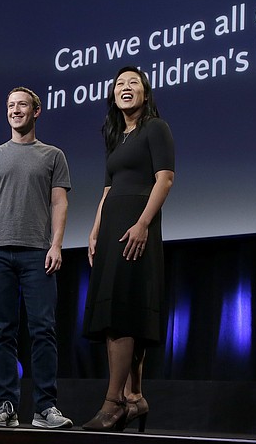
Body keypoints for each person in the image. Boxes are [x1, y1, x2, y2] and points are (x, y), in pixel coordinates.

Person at [0, 86, 73, 429]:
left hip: (37, 253)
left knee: (43, 330)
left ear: (36, 111)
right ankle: (6, 405)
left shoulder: (53, 155)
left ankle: (45, 408)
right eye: (11, 105)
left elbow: (60, 202)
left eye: (22, 105)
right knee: (3, 332)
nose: (15, 110)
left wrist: (56, 245)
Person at [81, 66, 175, 432]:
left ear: (146, 94)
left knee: (124, 312)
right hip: (112, 230)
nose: (126, 87)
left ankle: (113, 402)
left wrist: (143, 223)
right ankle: (134, 397)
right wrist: (94, 230)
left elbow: (165, 179)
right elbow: (107, 190)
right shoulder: (116, 137)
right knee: (114, 313)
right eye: (120, 83)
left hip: (137, 226)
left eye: (133, 82)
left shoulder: (156, 128)